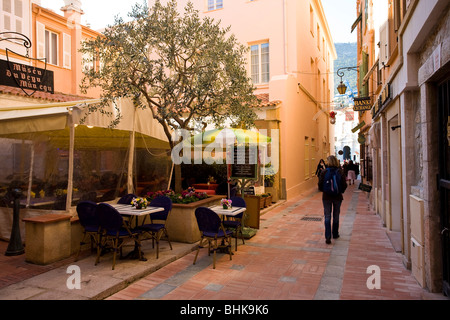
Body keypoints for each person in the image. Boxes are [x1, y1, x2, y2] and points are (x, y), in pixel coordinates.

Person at [318, 155, 347, 244]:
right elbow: (344, 184)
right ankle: (335, 233)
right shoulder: (340, 171)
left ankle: (327, 236)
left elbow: (320, 185)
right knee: (336, 216)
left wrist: (325, 191)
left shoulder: (324, 172)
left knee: (327, 216)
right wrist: (340, 191)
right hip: (337, 197)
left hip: (326, 197)